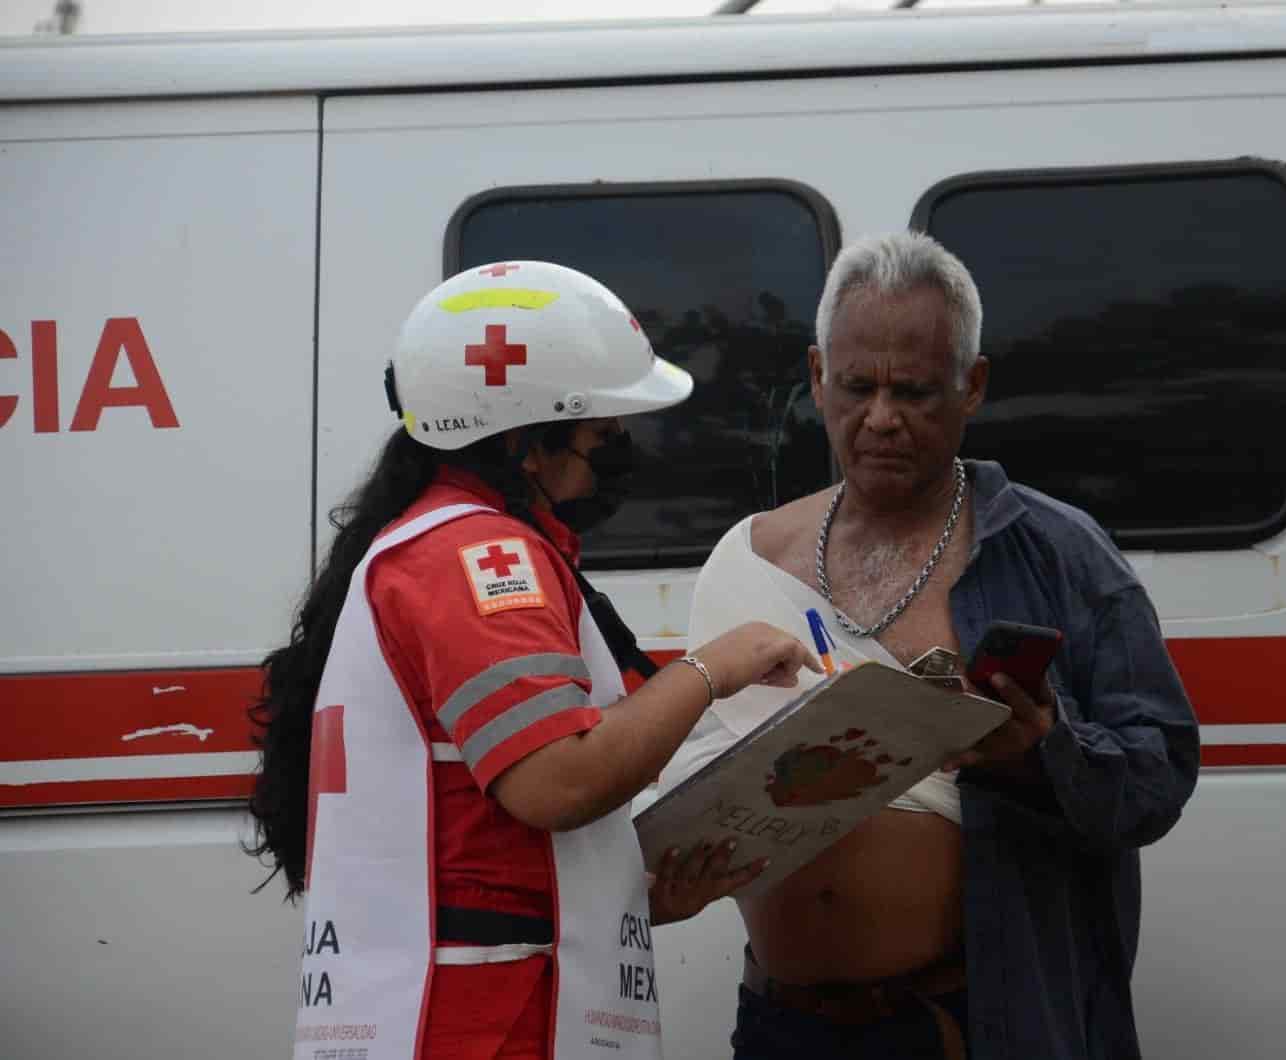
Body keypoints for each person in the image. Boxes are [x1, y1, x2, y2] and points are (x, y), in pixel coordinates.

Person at [246, 261, 819, 1060]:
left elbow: (467, 845)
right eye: (601, 429)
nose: (619, 447)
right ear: (523, 439)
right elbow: (557, 781)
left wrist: (632, 896)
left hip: (464, 1003)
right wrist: (718, 664)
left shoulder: (439, 541)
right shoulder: (478, 553)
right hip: (485, 1018)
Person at [659, 231, 1201, 1060]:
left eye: (913, 391)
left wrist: (1039, 753)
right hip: (781, 1027)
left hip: (968, 1026)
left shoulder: (1058, 554)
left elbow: (1158, 773)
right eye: (856, 387)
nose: (882, 419)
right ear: (815, 377)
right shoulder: (749, 557)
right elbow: (701, 774)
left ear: (972, 386)